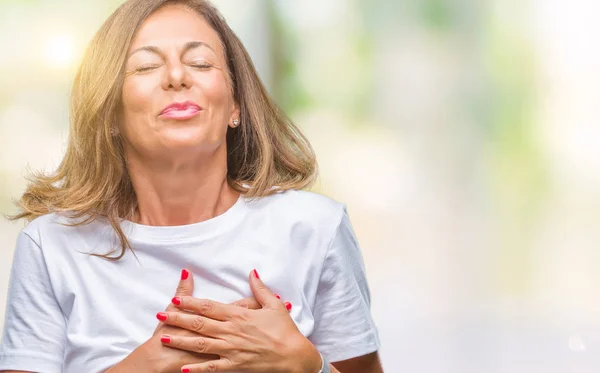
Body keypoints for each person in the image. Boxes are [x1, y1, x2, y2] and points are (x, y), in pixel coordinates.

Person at [0, 1, 383, 372]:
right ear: (109, 113)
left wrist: (304, 365)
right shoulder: (51, 247)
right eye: (146, 66)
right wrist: (145, 367)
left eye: (200, 63)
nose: (177, 76)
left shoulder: (315, 228)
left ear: (235, 106)